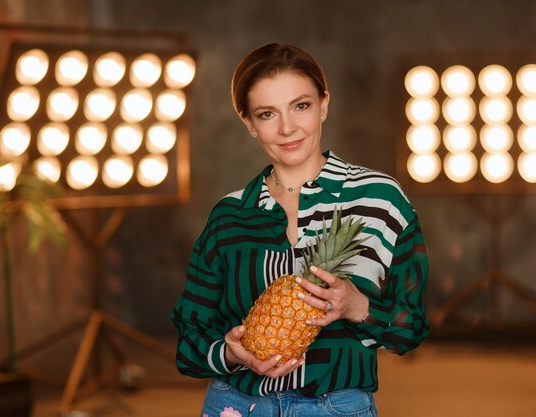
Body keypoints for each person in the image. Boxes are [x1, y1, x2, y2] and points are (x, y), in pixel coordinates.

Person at [171, 43, 429, 417]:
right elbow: (188, 338)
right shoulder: (229, 215)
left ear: (324, 104)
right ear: (249, 124)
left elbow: (413, 328)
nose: (287, 127)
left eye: (301, 106)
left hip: (337, 407)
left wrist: (356, 306)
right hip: (237, 404)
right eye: (266, 114)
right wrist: (228, 351)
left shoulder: (380, 200)